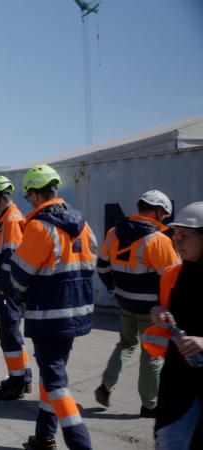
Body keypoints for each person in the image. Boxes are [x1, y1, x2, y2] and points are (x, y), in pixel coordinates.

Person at [10, 164, 97, 450]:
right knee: (52, 378)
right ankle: (44, 436)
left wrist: (23, 296)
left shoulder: (39, 226)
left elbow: (20, 275)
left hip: (48, 315)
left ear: (35, 195)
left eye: (28, 197)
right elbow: (93, 258)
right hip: (76, 313)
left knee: (57, 384)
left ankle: (80, 444)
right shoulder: (82, 225)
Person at [95, 190, 180, 418]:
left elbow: (102, 267)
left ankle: (105, 385)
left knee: (125, 344)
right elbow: (173, 279)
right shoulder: (159, 240)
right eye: (163, 214)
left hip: (124, 300)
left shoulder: (114, 232)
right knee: (150, 355)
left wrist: (113, 287)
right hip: (152, 309)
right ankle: (149, 406)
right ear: (158, 212)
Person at [141, 202, 203, 449]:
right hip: (179, 381)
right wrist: (157, 311)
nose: (176, 241)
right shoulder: (172, 274)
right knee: (169, 439)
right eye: (175, 235)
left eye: (184, 235)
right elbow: (162, 307)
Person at [0, 175, 34, 401]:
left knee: (9, 334)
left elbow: (11, 256)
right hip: (8, 287)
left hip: (7, 289)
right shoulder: (8, 219)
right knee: (13, 333)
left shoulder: (11, 220)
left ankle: (16, 383)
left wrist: (2, 286)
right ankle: (25, 377)